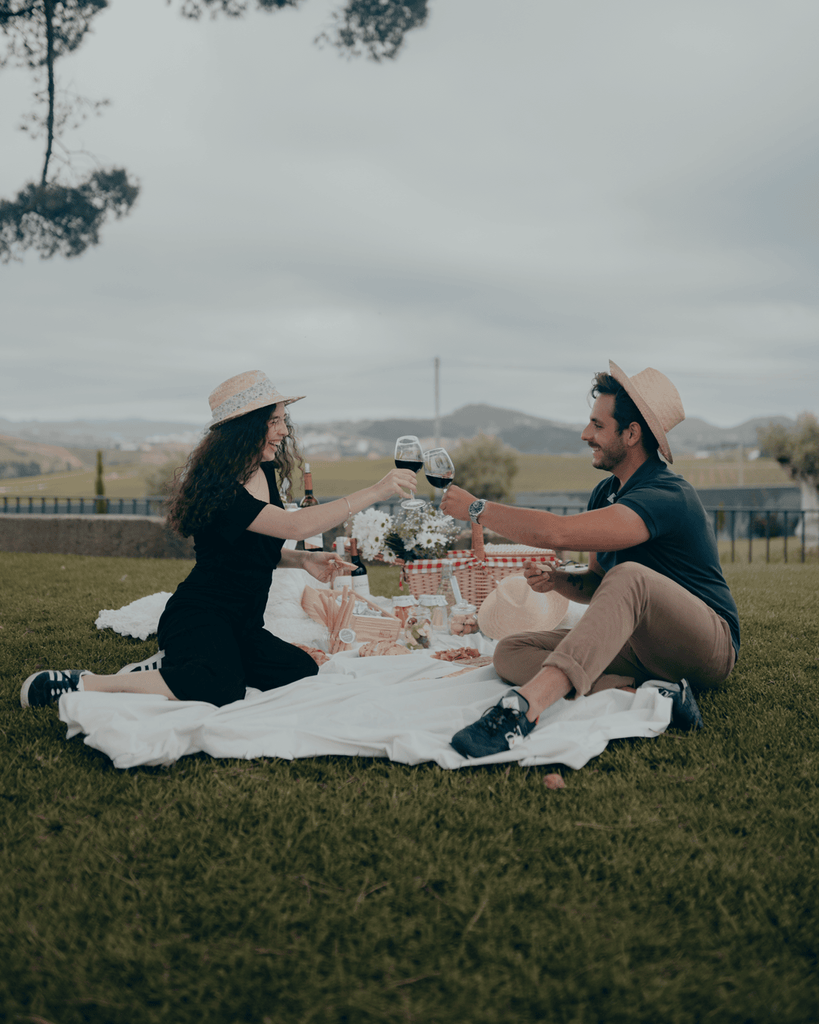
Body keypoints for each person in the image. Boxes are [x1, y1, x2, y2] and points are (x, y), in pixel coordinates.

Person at [21, 370, 418, 709]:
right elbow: (296, 527)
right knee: (220, 689)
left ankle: (175, 669)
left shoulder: (263, 473)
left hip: (242, 624)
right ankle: (85, 683)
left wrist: (301, 561)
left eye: (284, 420)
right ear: (247, 427)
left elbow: (246, 550)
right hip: (200, 614)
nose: (283, 430)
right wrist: (375, 491)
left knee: (299, 671)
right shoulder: (225, 489)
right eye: (275, 421)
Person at [441, 360, 740, 758]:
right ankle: (652, 696)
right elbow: (601, 585)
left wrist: (478, 508)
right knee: (510, 652)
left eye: (598, 425)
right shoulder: (606, 492)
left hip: (706, 645)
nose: (586, 435)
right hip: (641, 647)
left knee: (632, 574)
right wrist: (559, 581)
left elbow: (558, 534)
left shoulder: (667, 495)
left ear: (632, 433)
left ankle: (522, 711)